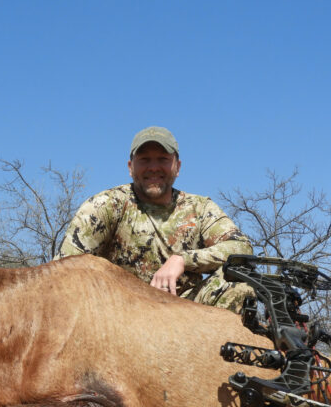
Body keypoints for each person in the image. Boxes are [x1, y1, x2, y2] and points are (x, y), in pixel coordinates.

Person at [55, 126, 254, 312]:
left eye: (163, 159)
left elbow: (241, 248)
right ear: (130, 167)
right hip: (119, 314)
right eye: (144, 159)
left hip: (187, 313)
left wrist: (182, 260)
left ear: (177, 166)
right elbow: (63, 271)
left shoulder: (200, 208)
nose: (153, 167)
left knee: (238, 282)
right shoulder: (106, 205)